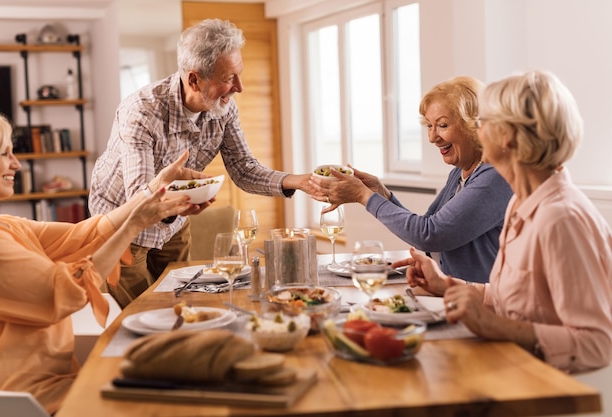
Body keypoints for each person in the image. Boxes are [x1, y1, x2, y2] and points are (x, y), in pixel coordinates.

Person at [0, 110, 203, 413]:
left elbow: (86, 235)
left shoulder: (7, 225)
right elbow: (63, 292)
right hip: (33, 400)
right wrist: (134, 226)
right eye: (4, 153)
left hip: (65, 380)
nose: (16, 164)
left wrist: (156, 187)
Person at [89, 18, 312, 308]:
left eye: (239, 74)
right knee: (139, 312)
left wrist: (300, 181)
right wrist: (179, 204)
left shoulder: (223, 109)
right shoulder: (142, 112)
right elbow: (139, 197)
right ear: (194, 79)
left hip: (174, 220)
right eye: (229, 78)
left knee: (180, 303)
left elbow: (243, 168)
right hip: (124, 223)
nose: (239, 87)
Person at [401, 70, 612, 373]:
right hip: (509, 367)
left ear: (509, 136)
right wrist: (447, 286)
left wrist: (493, 326)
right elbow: (512, 298)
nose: (476, 129)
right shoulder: (519, 201)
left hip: (545, 387)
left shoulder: (561, 218)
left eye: (483, 121)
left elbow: (596, 345)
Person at [310, 76, 512, 282]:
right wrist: (382, 194)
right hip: (451, 294)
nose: (432, 137)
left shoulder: (494, 177)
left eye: (442, 125)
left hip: (481, 303)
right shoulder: (460, 172)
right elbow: (427, 227)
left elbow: (431, 235)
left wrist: (364, 196)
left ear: (473, 124)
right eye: (429, 126)